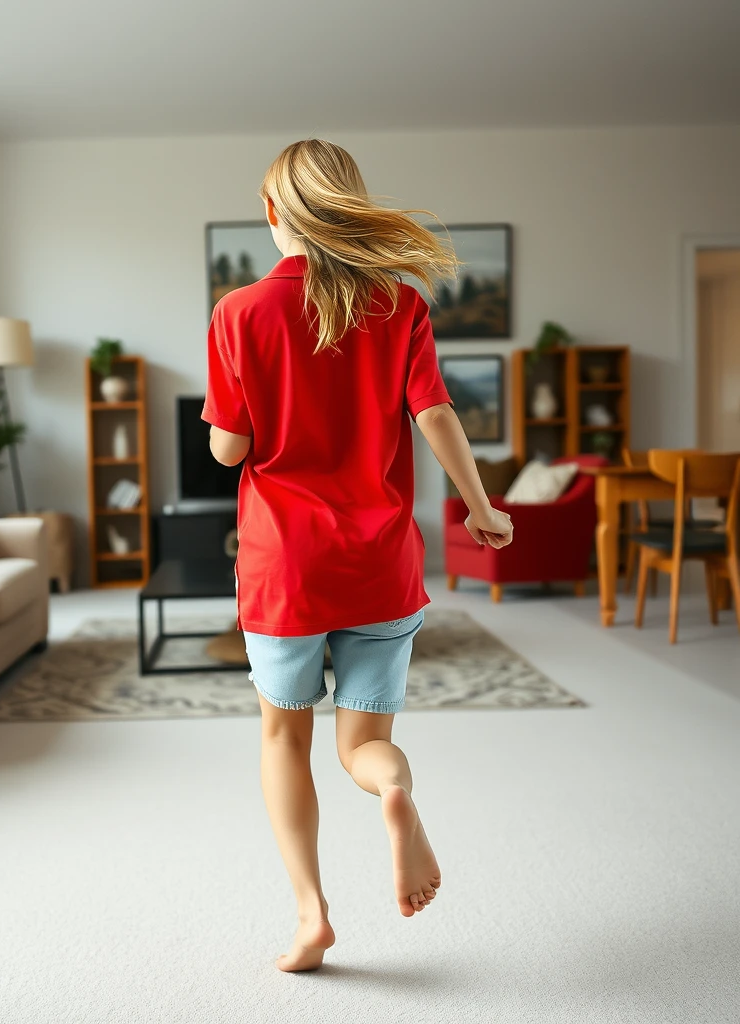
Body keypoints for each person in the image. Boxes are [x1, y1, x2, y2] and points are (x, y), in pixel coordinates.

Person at [201, 140, 514, 973]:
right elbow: (437, 415)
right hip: (380, 563)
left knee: (282, 739)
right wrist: (480, 509)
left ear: (275, 215)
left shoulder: (238, 312)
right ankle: (394, 792)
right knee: (361, 745)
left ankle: (311, 915)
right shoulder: (400, 304)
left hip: (285, 569)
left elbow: (229, 453)